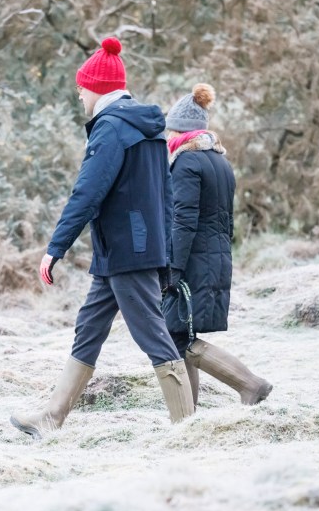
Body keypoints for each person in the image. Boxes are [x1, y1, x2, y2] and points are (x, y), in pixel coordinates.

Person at [10, 38, 194, 440]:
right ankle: (51, 419)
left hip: (128, 251)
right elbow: (165, 195)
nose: (79, 94)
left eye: (82, 87)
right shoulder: (146, 126)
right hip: (123, 252)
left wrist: (55, 247)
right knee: (88, 327)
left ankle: (188, 429)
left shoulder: (111, 128)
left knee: (152, 335)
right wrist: (164, 253)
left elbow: (87, 193)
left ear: (97, 87)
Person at [162, 83, 273, 407]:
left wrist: (173, 268)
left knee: (176, 335)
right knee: (180, 335)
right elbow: (227, 221)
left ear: (180, 130)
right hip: (214, 257)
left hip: (193, 260)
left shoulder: (186, 163)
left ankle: (250, 384)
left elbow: (183, 220)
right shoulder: (219, 162)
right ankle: (188, 413)